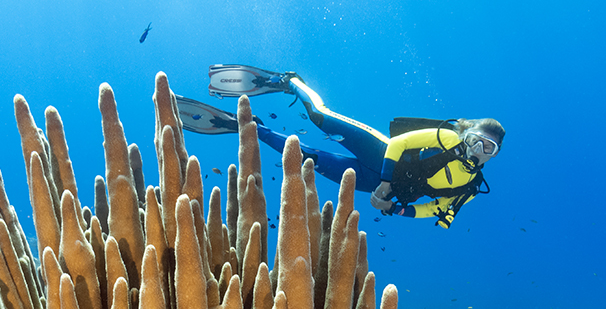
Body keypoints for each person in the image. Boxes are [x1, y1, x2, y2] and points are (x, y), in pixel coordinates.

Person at [176, 64, 504, 229]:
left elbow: (435, 210)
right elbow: (401, 144)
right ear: (466, 134)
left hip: (375, 186)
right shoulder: (446, 138)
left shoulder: (471, 186)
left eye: (489, 150)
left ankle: (251, 128)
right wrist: (388, 182)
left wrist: (395, 209)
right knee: (321, 117)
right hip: (380, 152)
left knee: (307, 159)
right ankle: (290, 82)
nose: (479, 151)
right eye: (477, 141)